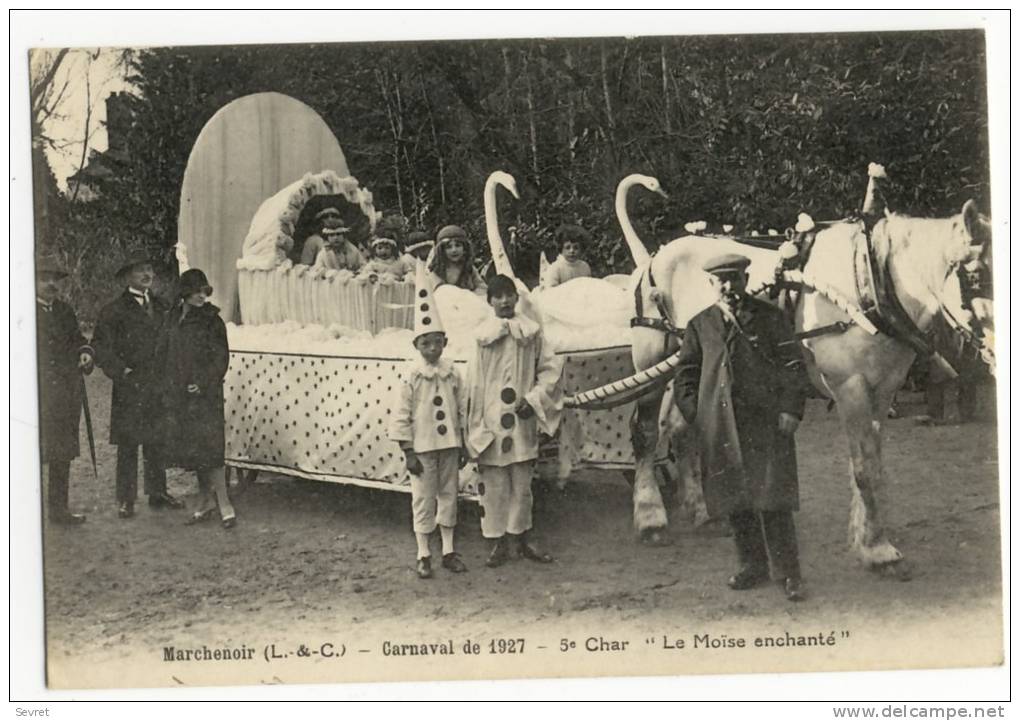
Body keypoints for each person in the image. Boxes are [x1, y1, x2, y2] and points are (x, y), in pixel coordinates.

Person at [673, 253, 808, 602]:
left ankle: (789, 573)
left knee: (772, 497)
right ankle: (752, 565)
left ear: (746, 279)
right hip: (721, 426)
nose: (729, 287)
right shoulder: (700, 325)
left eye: (735, 278)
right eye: (722, 280)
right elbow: (685, 376)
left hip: (766, 423)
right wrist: (698, 415)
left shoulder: (770, 317)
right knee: (736, 497)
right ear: (711, 284)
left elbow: (794, 366)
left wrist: (791, 409)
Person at [465, 274, 563, 567]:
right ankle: (497, 542)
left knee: (522, 483)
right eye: (498, 296)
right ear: (490, 301)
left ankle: (521, 537)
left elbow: (549, 371)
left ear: (517, 298)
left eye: (510, 295)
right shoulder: (482, 338)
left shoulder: (532, 334)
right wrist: (475, 425)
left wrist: (533, 400)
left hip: (521, 419)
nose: (505, 301)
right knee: (493, 483)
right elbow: (473, 383)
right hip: (491, 420)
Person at [389, 264, 469, 578]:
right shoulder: (411, 376)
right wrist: (408, 451)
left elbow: (462, 409)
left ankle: (448, 549)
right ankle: (424, 552)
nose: (432, 348)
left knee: (450, 494)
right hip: (422, 448)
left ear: (445, 343)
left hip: (449, 445)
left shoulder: (452, 373)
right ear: (416, 346)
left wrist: (462, 443)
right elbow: (402, 414)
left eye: (437, 342)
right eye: (426, 343)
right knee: (423, 498)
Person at [93, 253, 183, 518]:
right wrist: (121, 371)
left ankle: (158, 492)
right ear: (128, 276)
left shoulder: (162, 306)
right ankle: (126, 498)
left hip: (157, 384)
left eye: (150, 268)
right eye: (141, 270)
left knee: (157, 440)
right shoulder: (113, 311)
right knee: (129, 442)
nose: (148, 274)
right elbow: (101, 347)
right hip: (130, 385)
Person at [157, 269, 236, 529]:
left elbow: (220, 359)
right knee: (194, 450)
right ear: (185, 293)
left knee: (211, 448)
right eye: (196, 292)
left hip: (204, 395)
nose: (202, 296)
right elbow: (164, 352)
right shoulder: (172, 318)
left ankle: (224, 502)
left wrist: (202, 383)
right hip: (179, 394)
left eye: (205, 291)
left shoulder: (212, 321)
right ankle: (205, 499)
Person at [35, 257, 95, 525]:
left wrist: (84, 353)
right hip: (35, 395)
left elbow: (79, 340)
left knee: (61, 452)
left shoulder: (64, 311)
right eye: (44, 278)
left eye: (55, 280)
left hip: (65, 394)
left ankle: (58, 510)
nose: (50, 284)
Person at [427, 224, 487, 295]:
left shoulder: (468, 268)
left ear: (464, 248)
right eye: (449, 247)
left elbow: (482, 287)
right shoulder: (437, 270)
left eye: (458, 245)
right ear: (442, 251)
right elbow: (436, 292)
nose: (454, 250)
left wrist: (472, 295)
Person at [301, 207, 365, 272]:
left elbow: (362, 265)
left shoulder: (351, 249)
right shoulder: (322, 251)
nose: (335, 238)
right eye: (332, 235)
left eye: (338, 234)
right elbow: (312, 268)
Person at [541, 224, 593, 289]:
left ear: (581, 249)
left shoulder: (584, 267)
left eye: (576, 248)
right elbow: (551, 289)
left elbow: (589, 287)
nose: (572, 251)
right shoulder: (556, 268)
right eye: (567, 247)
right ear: (561, 248)